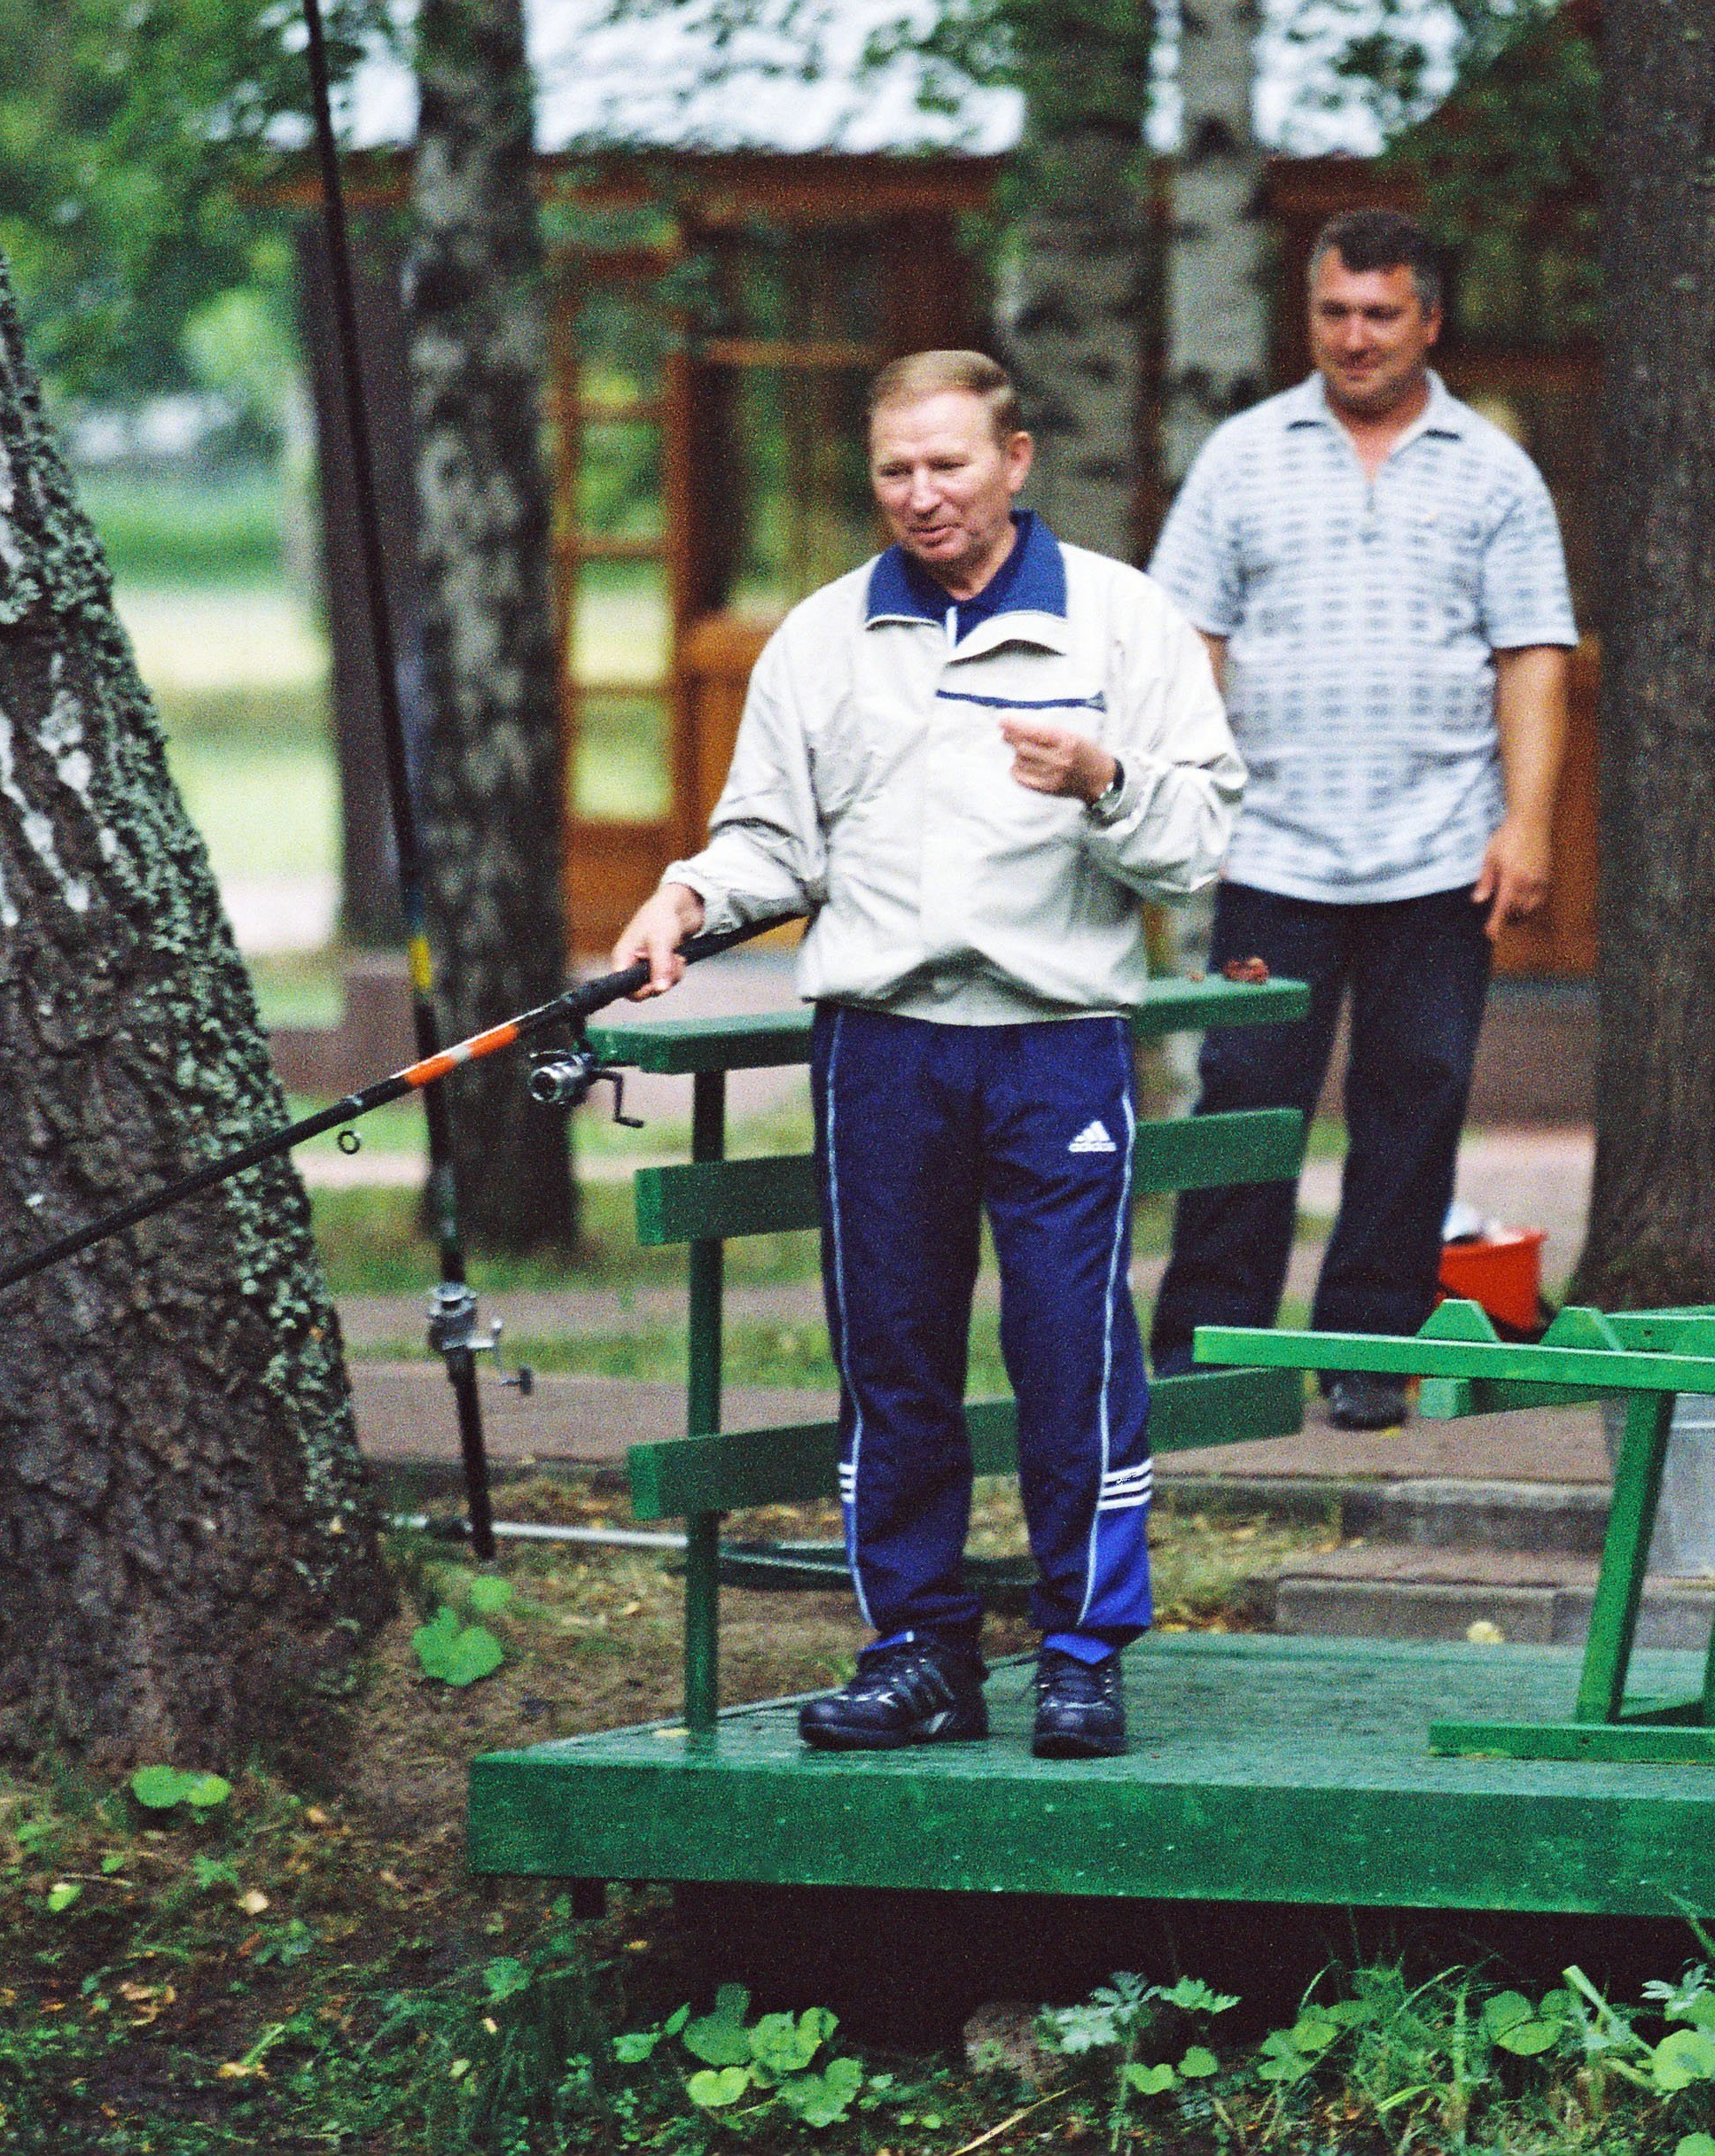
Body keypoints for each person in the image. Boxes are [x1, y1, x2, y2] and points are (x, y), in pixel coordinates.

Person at [613, 351, 1243, 1761]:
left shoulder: (1122, 622)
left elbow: (1200, 834)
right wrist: (690, 896)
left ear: (1015, 460)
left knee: (1067, 1346)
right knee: (890, 1354)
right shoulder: (825, 638)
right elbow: (773, 838)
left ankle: (1084, 1648)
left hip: (1054, 1040)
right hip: (880, 1047)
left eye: (950, 464)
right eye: (896, 470)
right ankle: (917, 1648)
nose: (923, 495)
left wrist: (1102, 781)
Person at [1143, 207, 1579, 1428]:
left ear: (1427, 321)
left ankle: (1366, 1353)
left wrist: (1527, 823)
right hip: (1271, 847)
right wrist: (1185, 794)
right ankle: (1206, 1355)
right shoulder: (1241, 454)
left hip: (1441, 851)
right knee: (1243, 1096)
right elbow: (1186, 637)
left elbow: (1533, 654)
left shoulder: (1492, 469)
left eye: (1380, 314)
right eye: (1334, 311)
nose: (1354, 337)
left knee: (1415, 1095)